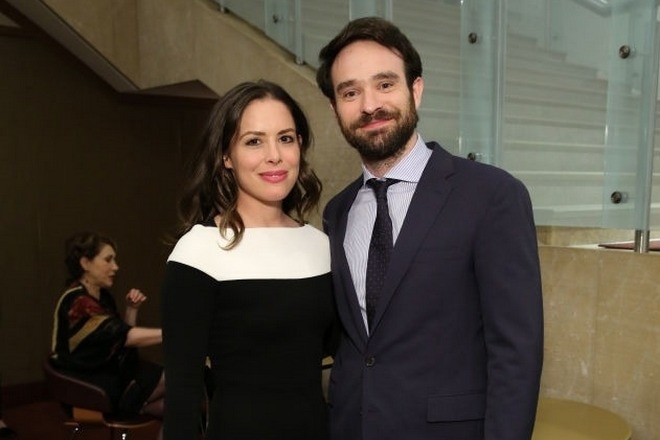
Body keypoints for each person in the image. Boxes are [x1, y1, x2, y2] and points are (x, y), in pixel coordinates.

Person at [316, 17, 544, 440]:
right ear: (335, 109)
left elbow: (516, 352)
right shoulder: (338, 211)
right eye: (350, 92)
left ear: (415, 89)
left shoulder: (491, 195)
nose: (369, 105)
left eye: (385, 84)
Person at [161, 80, 337, 440]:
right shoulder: (199, 251)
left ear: (300, 146)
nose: (274, 155)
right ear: (226, 156)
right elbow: (182, 394)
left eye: (285, 138)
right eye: (254, 141)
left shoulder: (322, 246)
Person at [50, 232, 165, 424]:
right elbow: (127, 337)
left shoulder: (101, 296)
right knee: (181, 381)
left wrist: (131, 309)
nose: (115, 267)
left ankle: (144, 407)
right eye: (108, 260)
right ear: (85, 263)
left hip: (105, 376)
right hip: (88, 388)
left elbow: (119, 338)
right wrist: (177, 333)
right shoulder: (79, 302)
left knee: (180, 404)